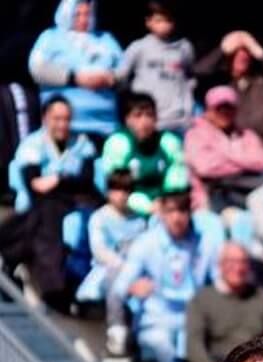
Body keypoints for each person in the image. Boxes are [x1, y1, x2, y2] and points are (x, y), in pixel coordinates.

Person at [0, 96, 97, 310]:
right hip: (41, 207)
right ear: (45, 118)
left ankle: (10, 254)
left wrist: (58, 179)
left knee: (45, 216)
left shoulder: (81, 143)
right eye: (57, 119)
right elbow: (34, 185)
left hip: (70, 206)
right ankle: (54, 290)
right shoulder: (33, 144)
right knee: (46, 216)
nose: (62, 124)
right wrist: (68, 182)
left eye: (66, 119)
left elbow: (86, 181)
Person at [110, 189, 218, 362]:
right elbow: (119, 287)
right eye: (171, 211)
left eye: (182, 211)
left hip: (192, 318)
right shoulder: (146, 243)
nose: (177, 218)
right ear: (161, 212)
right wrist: (132, 288)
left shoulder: (203, 244)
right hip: (156, 319)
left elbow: (218, 280)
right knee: (161, 344)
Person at [28, 0, 122, 138]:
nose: (83, 19)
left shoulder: (105, 39)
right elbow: (37, 68)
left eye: (87, 14)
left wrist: (111, 78)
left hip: (106, 125)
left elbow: (125, 68)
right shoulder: (50, 37)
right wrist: (74, 78)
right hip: (66, 126)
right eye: (77, 14)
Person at [193, 30, 263, 147]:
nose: (242, 55)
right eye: (236, 52)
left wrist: (258, 51)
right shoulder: (219, 81)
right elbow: (198, 73)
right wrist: (222, 50)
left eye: (246, 51)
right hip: (230, 147)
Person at [184, 85, 263, 212]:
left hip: (250, 195)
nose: (225, 113)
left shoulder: (248, 135)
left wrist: (225, 157)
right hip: (210, 200)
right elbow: (205, 167)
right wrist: (244, 164)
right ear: (208, 110)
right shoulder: (195, 135)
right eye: (219, 108)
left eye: (229, 108)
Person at [101, 91, 186, 217]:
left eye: (149, 115)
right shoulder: (118, 143)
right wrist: (146, 207)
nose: (144, 121)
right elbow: (117, 187)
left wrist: (165, 202)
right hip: (128, 209)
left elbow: (177, 179)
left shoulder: (169, 142)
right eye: (138, 115)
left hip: (165, 207)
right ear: (127, 120)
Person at [117, 1, 195, 133]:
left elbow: (189, 78)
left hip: (177, 120)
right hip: (147, 120)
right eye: (159, 20)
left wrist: (188, 111)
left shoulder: (184, 47)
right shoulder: (138, 47)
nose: (164, 25)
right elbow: (121, 79)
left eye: (168, 20)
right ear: (148, 22)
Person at [76, 170, 147, 306]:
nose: (121, 195)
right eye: (116, 189)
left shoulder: (139, 221)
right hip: (106, 270)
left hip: (135, 272)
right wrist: (122, 266)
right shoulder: (99, 218)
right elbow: (99, 250)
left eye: (125, 190)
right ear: (108, 191)